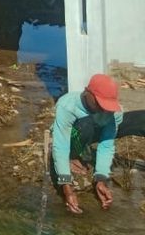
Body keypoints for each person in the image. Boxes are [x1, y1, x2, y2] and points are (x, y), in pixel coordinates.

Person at [51, 73, 123, 214]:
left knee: (91, 124)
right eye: (99, 103)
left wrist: (100, 178)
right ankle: (73, 156)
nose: (103, 110)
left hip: (89, 132)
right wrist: (67, 187)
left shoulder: (113, 112)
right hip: (69, 134)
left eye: (106, 106)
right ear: (86, 92)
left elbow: (106, 145)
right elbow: (61, 146)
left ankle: (82, 152)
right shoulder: (67, 105)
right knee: (86, 123)